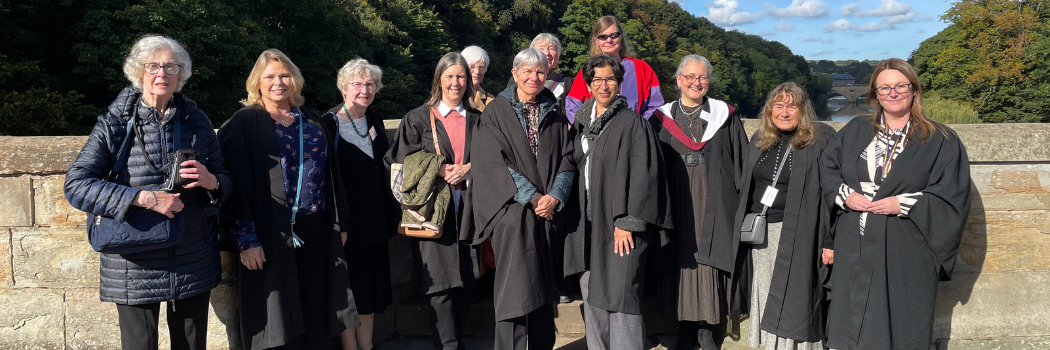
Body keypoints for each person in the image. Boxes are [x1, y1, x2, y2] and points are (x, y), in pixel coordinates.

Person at [64, 34, 231, 350]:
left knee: (192, 345)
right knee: (140, 344)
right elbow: (76, 186)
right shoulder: (116, 122)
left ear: (181, 74)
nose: (162, 74)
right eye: (153, 66)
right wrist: (143, 198)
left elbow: (225, 180)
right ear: (139, 72)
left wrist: (213, 181)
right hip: (134, 260)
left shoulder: (196, 119)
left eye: (170, 67)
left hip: (192, 255)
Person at [819, 58, 971, 350]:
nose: (893, 93)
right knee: (852, 320)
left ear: (914, 90)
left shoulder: (941, 139)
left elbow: (952, 194)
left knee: (901, 322)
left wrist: (901, 203)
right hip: (856, 241)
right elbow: (827, 169)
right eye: (885, 87)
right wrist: (845, 195)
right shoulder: (856, 130)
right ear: (874, 94)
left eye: (901, 86)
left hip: (906, 246)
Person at [218, 48, 358, 350]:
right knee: (275, 313)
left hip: (317, 228)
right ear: (257, 82)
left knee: (317, 303)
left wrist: (340, 223)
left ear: (295, 80)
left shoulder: (310, 120)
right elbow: (234, 184)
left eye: (284, 75)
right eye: (270, 76)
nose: (278, 82)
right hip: (269, 232)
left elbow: (331, 173)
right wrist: (246, 239)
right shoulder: (243, 124)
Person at [563, 54, 672, 350]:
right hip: (588, 225)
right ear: (588, 85)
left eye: (610, 79)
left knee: (622, 293)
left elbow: (644, 174)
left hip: (619, 227)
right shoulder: (581, 124)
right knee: (591, 289)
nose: (603, 85)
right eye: (596, 79)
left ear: (619, 83)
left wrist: (627, 223)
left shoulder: (632, 122)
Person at [469, 48, 574, 350]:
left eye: (540, 72)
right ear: (514, 74)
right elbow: (493, 163)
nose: (534, 77)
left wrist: (555, 195)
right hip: (512, 213)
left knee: (543, 285)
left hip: (547, 215)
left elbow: (568, 158)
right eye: (527, 71)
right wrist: (533, 197)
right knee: (514, 288)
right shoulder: (496, 112)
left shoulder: (553, 110)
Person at [649, 54, 748, 350]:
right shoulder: (661, 119)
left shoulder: (725, 116)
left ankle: (707, 329)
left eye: (702, 77)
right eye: (689, 76)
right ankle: (685, 329)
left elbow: (742, 161)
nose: (696, 82)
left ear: (709, 81)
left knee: (709, 258)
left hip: (714, 197)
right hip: (676, 199)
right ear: (678, 80)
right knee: (680, 258)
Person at [385, 52, 480, 350]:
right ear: (439, 79)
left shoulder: (479, 118)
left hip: (471, 209)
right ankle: (448, 346)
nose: (456, 83)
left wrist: (470, 168)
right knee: (439, 285)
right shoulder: (417, 118)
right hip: (432, 212)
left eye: (461, 76)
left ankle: (457, 342)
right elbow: (397, 162)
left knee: (467, 280)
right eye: (449, 76)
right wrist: (436, 168)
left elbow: (497, 158)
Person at [735, 82, 836, 350]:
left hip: (802, 234)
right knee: (768, 293)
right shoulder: (760, 140)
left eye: (792, 106)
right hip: (764, 236)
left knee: (798, 297)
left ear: (803, 110)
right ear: (770, 111)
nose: (784, 111)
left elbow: (832, 195)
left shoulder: (819, 140)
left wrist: (830, 240)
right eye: (778, 105)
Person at [321, 58, 396, 350]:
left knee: (370, 292)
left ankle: (367, 347)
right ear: (344, 88)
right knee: (348, 291)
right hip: (347, 226)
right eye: (357, 84)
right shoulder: (329, 123)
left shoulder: (374, 118)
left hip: (376, 223)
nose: (364, 90)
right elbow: (325, 178)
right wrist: (339, 223)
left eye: (369, 84)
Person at [565, 15, 664, 122]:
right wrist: (588, 130)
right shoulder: (586, 72)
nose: (609, 40)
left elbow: (655, 105)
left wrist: (640, 126)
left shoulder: (642, 68)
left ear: (621, 36)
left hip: (634, 133)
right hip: (596, 135)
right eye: (603, 37)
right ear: (596, 40)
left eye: (614, 35)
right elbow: (573, 108)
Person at [530, 33, 574, 116]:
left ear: (558, 55)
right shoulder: (520, 80)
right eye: (541, 48)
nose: (547, 53)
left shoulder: (568, 83)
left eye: (551, 48)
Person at [462, 45, 495, 112]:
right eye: (472, 66)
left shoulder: (491, 102)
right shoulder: (449, 97)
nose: (477, 72)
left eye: (481, 67)